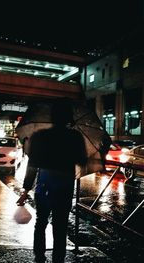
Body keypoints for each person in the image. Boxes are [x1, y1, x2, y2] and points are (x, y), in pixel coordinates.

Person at [16, 98, 87, 263]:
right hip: (65, 186)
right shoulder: (75, 137)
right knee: (60, 227)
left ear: (52, 117)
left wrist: (26, 190)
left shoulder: (40, 136)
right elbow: (82, 161)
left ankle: (39, 257)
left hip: (44, 186)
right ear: (69, 118)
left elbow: (32, 165)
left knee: (41, 223)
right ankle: (58, 260)